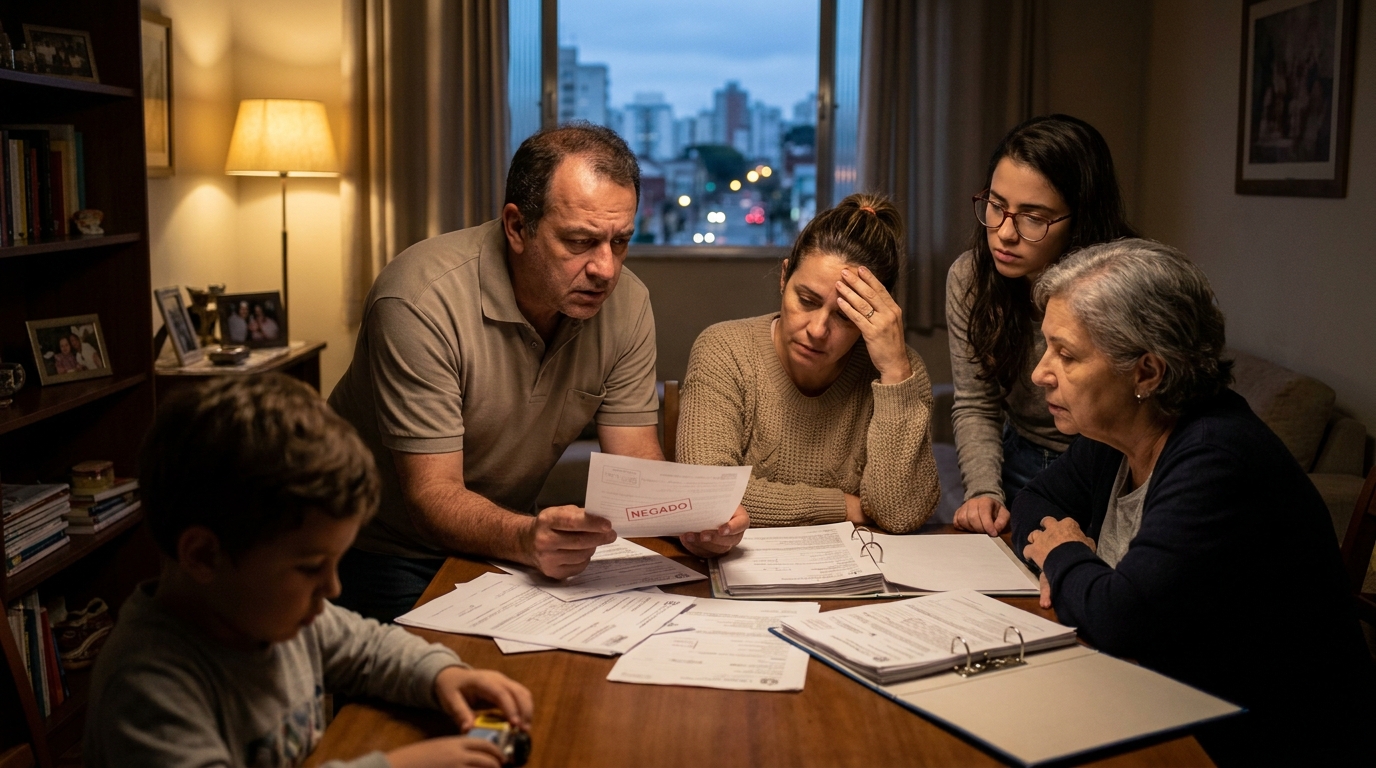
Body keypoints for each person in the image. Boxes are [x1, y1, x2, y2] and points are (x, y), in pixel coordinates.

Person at [328, 123, 747, 622]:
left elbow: (635, 461)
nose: (606, 269)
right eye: (580, 241)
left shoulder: (626, 301)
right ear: (516, 226)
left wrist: (692, 519)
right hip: (380, 547)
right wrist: (526, 537)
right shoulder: (420, 300)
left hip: (498, 541)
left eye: (621, 241)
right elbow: (431, 496)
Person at [1010, 239, 1375, 766]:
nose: (1040, 372)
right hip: (1157, 695)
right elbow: (1036, 499)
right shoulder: (1118, 432)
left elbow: (1121, 618)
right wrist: (1076, 566)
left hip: (1264, 739)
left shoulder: (1215, 457)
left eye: (1066, 354)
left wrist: (1065, 554)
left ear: (1147, 373)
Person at [85, 374, 533, 768]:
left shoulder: (276, 618)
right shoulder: (148, 690)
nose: (334, 588)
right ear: (203, 556)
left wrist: (443, 675)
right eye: (311, 568)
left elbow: (370, 650)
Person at [678, 194, 939, 532]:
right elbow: (707, 496)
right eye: (806, 300)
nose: (817, 330)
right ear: (784, 277)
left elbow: (901, 514)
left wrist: (895, 373)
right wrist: (846, 506)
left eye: (846, 317)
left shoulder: (901, 371)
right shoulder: (725, 349)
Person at [948, 115, 1137, 537]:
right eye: (996, 206)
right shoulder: (971, 279)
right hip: (1022, 459)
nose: (1004, 233)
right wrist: (983, 491)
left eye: (1033, 217)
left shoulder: (1124, 287)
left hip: (1109, 459)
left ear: (1081, 219)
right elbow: (977, 401)